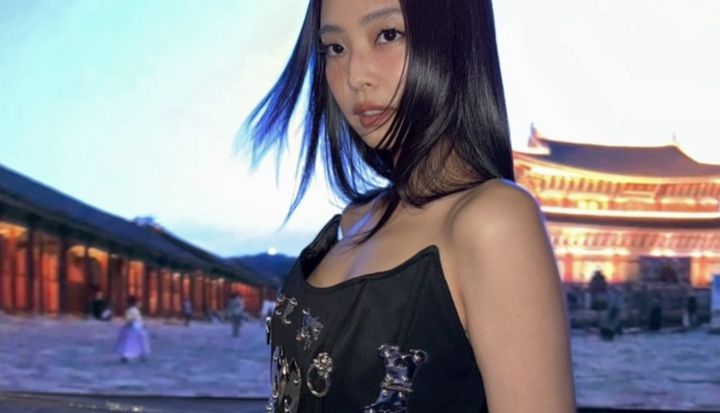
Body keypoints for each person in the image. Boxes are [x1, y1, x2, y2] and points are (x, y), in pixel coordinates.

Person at [243, 0, 576, 411]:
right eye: (335, 48)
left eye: (388, 35)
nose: (356, 77)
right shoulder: (353, 220)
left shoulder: (494, 221)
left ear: (454, 38)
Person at [115, 295, 151, 363]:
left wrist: (142, 324)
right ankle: (129, 355)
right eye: (138, 303)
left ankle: (137, 354)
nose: (140, 304)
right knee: (133, 343)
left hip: (136, 328)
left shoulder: (134, 310)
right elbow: (130, 319)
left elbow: (137, 319)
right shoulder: (131, 310)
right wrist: (133, 323)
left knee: (135, 342)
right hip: (133, 329)